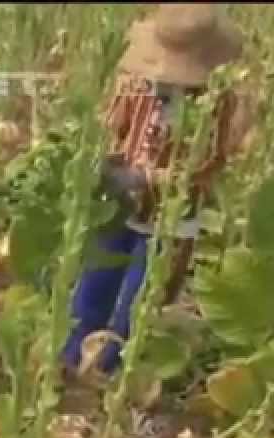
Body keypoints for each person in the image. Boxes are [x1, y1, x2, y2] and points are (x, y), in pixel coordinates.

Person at [62, 3, 245, 377]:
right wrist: (101, 161)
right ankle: (69, 357)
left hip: (169, 220)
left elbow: (206, 166)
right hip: (116, 206)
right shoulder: (135, 89)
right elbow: (111, 130)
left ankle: (112, 371)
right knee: (94, 282)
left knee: (140, 299)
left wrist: (149, 177)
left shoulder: (216, 107)